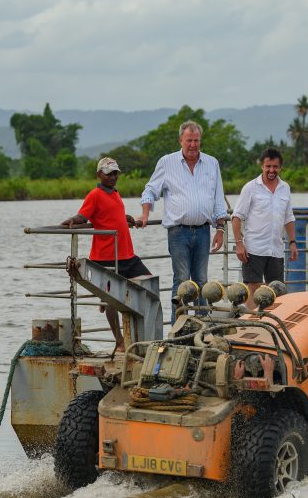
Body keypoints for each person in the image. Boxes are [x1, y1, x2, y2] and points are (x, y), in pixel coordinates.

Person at [139, 120, 228, 321]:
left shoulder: (212, 163)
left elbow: (218, 199)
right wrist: (145, 214)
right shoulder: (166, 162)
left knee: (202, 281)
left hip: (204, 231)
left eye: (196, 140)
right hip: (178, 232)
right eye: (189, 140)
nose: (193, 145)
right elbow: (150, 190)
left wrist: (220, 229)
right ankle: (178, 327)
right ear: (181, 140)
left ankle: (201, 327)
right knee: (181, 279)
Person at [62, 156, 151, 350]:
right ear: (99, 174)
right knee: (113, 298)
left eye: (115, 173)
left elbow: (111, 215)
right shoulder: (95, 194)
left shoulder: (115, 194)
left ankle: (143, 335)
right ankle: (119, 341)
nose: (113, 177)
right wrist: (72, 220)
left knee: (148, 286)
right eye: (109, 173)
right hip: (106, 255)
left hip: (127, 253)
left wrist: (125, 217)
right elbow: (83, 215)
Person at [231, 147, 297, 301]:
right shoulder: (250, 188)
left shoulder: (285, 188)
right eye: (268, 166)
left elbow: (288, 217)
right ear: (262, 166)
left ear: (280, 167)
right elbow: (236, 217)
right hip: (254, 249)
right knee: (253, 289)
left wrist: (293, 242)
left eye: (275, 166)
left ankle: (272, 323)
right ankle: (253, 323)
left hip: (276, 249)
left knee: (276, 289)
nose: (271, 170)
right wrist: (239, 244)